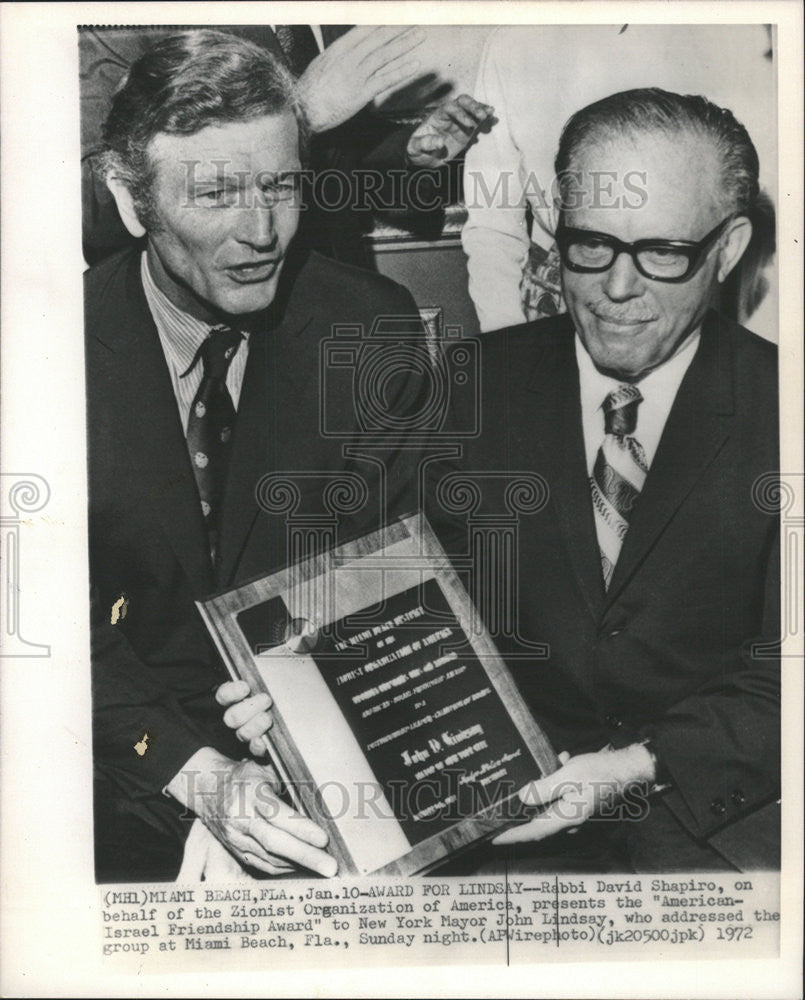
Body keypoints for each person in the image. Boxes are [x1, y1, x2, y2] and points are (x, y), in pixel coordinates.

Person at [226, 87, 781, 874]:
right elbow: (370, 598)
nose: (616, 290)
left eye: (661, 252)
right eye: (589, 244)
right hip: (493, 827)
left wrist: (636, 766)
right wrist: (292, 688)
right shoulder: (465, 385)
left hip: (709, 820)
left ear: (727, 250)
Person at [86, 29, 436, 882]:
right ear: (130, 200)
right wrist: (198, 778)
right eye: (216, 195)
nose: (262, 232)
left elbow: (388, 581)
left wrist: (295, 725)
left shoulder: (371, 330)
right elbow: (42, 638)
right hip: (103, 756)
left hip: (318, 752)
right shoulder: (41, 347)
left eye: (281, 185)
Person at [80, 24, 492, 265]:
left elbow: (330, 164)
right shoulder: (118, 23)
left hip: (326, 294)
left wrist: (410, 155)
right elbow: (91, 210)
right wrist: (298, 112)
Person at [461, 25, 777, 337]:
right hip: (556, 304)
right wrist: (504, 341)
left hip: (687, 300)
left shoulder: (734, 33)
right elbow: (492, 223)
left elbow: (765, 214)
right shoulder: (512, 44)